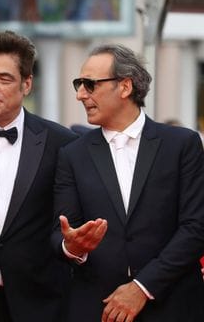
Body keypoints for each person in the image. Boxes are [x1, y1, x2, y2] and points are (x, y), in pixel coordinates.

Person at [52, 44, 204, 321]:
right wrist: (72, 247)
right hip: (97, 308)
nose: (80, 94)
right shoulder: (72, 155)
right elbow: (60, 231)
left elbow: (196, 227)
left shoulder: (182, 144)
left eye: (89, 84)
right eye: (78, 84)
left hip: (173, 305)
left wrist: (142, 287)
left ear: (124, 87)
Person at [0, 31, 76, 322]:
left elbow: (63, 222)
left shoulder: (61, 142)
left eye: (4, 79)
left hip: (40, 301)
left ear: (27, 84)